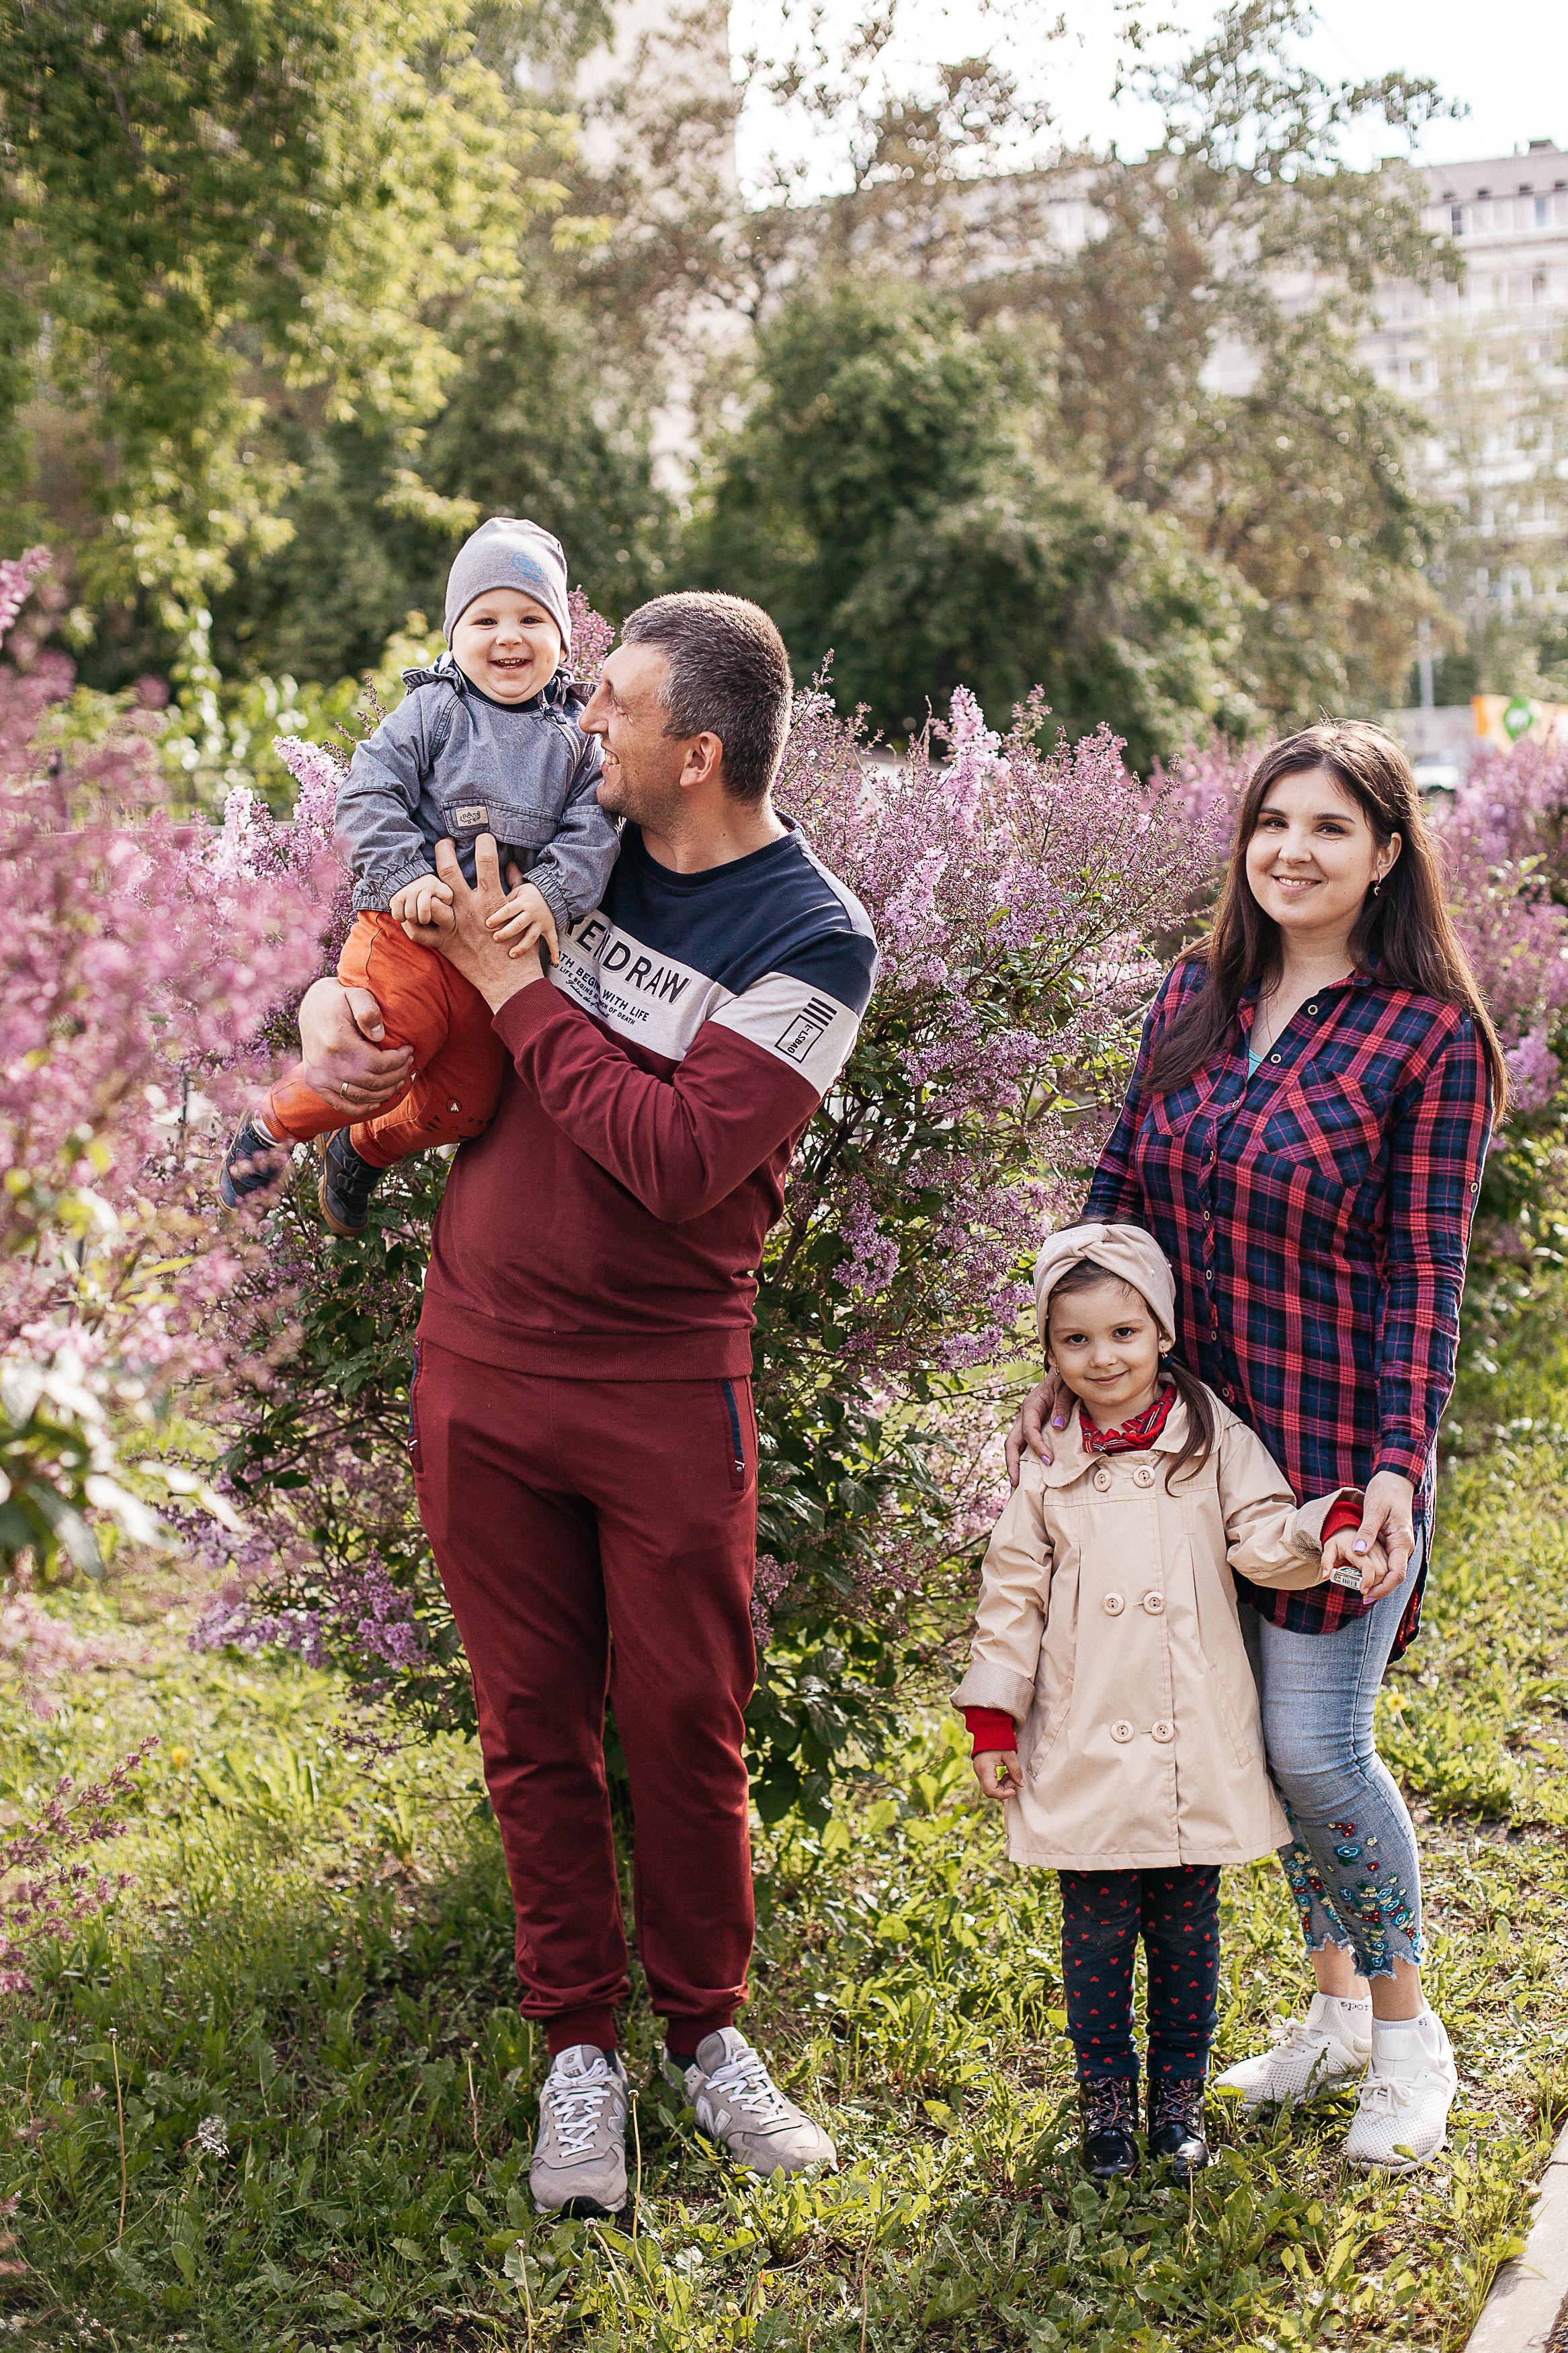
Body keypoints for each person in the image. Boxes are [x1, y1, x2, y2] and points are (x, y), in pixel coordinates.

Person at [289, 591, 878, 2217]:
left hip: (663, 1388)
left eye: (608, 705)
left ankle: (706, 2033)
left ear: (699, 751)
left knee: (683, 1728)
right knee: (532, 1728)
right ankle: (578, 2057)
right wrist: (334, 1021)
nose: (578, 723)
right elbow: (392, 971)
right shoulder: (560, 823)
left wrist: (524, 992)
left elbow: (688, 1163)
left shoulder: (814, 936)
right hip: (479, 1368)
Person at [1005, 722, 1501, 2171]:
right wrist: (1068, 1361)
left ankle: (1409, 2038)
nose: (1290, 848)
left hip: (1337, 1455)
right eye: (1269, 820)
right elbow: (1113, 1188)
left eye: (1328, 828)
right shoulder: (1192, 996)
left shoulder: (1425, 1039)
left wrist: (1398, 1465)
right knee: (1255, 1744)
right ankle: (1331, 2014)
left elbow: (1424, 1271)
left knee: (1312, 1744)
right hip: (1175, 1458)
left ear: (1385, 855)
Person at [957, 1222, 1376, 2184]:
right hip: (1084, 1734)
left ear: (1163, 1333)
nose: (1102, 1358)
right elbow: (1010, 1592)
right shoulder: (1047, 1459)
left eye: (1123, 1334)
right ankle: (1105, 2102)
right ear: (1049, 1350)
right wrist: (992, 1717)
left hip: (1191, 1731)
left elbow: (1262, 1532)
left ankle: (1176, 2104)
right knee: (1097, 1935)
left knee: (1187, 1934)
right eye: (1075, 1340)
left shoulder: (1211, 1435)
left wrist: (1330, 1528)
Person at [219, 516, 618, 1236]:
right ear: (452, 635)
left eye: (532, 618)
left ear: (562, 639)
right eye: (485, 617)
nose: (508, 636)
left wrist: (549, 894)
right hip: (410, 935)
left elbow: (594, 832)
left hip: (496, 968)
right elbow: (367, 793)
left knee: (467, 1106)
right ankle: (271, 1126)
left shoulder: (575, 740)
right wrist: (404, 873)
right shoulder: (435, 710)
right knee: (374, 1068)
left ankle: (360, 1151)